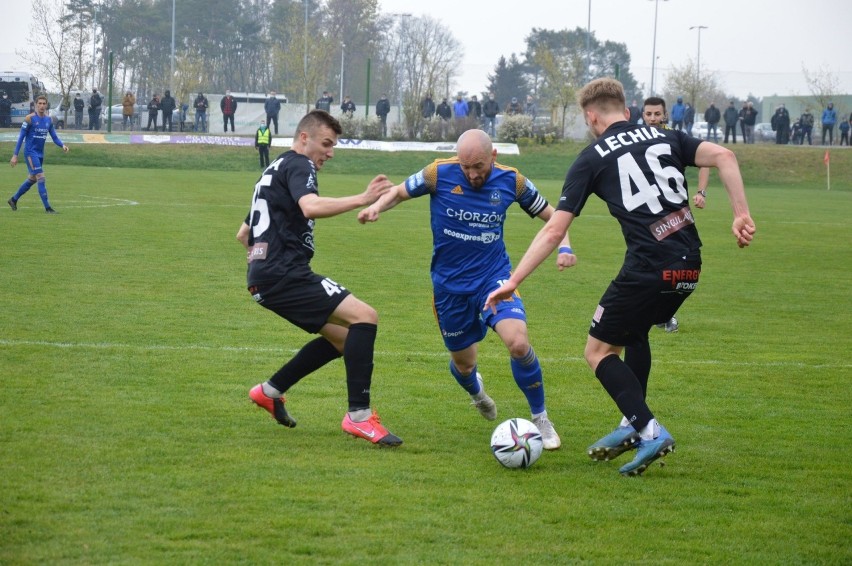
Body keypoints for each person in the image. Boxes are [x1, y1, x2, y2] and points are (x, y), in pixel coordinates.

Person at [485, 78, 755, 476]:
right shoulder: (667, 136)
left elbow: (553, 230)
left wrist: (513, 280)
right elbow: (726, 156)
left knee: (597, 352)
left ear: (591, 116)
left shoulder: (591, 157)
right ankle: (631, 423)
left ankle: (648, 429)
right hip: (689, 264)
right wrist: (741, 213)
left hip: (647, 268)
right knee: (635, 331)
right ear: (626, 111)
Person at [358, 128, 575, 450]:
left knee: (517, 343)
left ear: (493, 157)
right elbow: (400, 192)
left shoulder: (512, 181)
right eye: (466, 167)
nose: (472, 174)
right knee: (464, 363)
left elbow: (553, 217)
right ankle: (477, 394)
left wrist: (564, 247)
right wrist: (378, 206)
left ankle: (541, 419)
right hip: (449, 288)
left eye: (479, 167)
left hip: (494, 279)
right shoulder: (437, 173)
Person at [239, 110, 402, 447]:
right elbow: (310, 207)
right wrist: (363, 198)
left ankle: (270, 392)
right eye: (326, 144)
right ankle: (359, 416)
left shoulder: (273, 170)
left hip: (264, 276)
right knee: (365, 317)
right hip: (284, 273)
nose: (330, 152)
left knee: (344, 339)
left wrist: (261, 262)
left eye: (333, 146)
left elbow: (244, 233)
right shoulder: (300, 165)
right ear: (304, 138)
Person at [7, 95, 69, 214]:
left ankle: (13, 200)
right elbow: (21, 138)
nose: (41, 106)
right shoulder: (29, 119)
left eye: (43, 103)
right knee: (41, 177)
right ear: (36, 105)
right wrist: (15, 155)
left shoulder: (48, 120)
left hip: (40, 154)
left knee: (32, 179)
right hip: (30, 153)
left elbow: (54, 137)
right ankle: (48, 208)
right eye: (39, 103)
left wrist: (63, 145)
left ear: (46, 105)